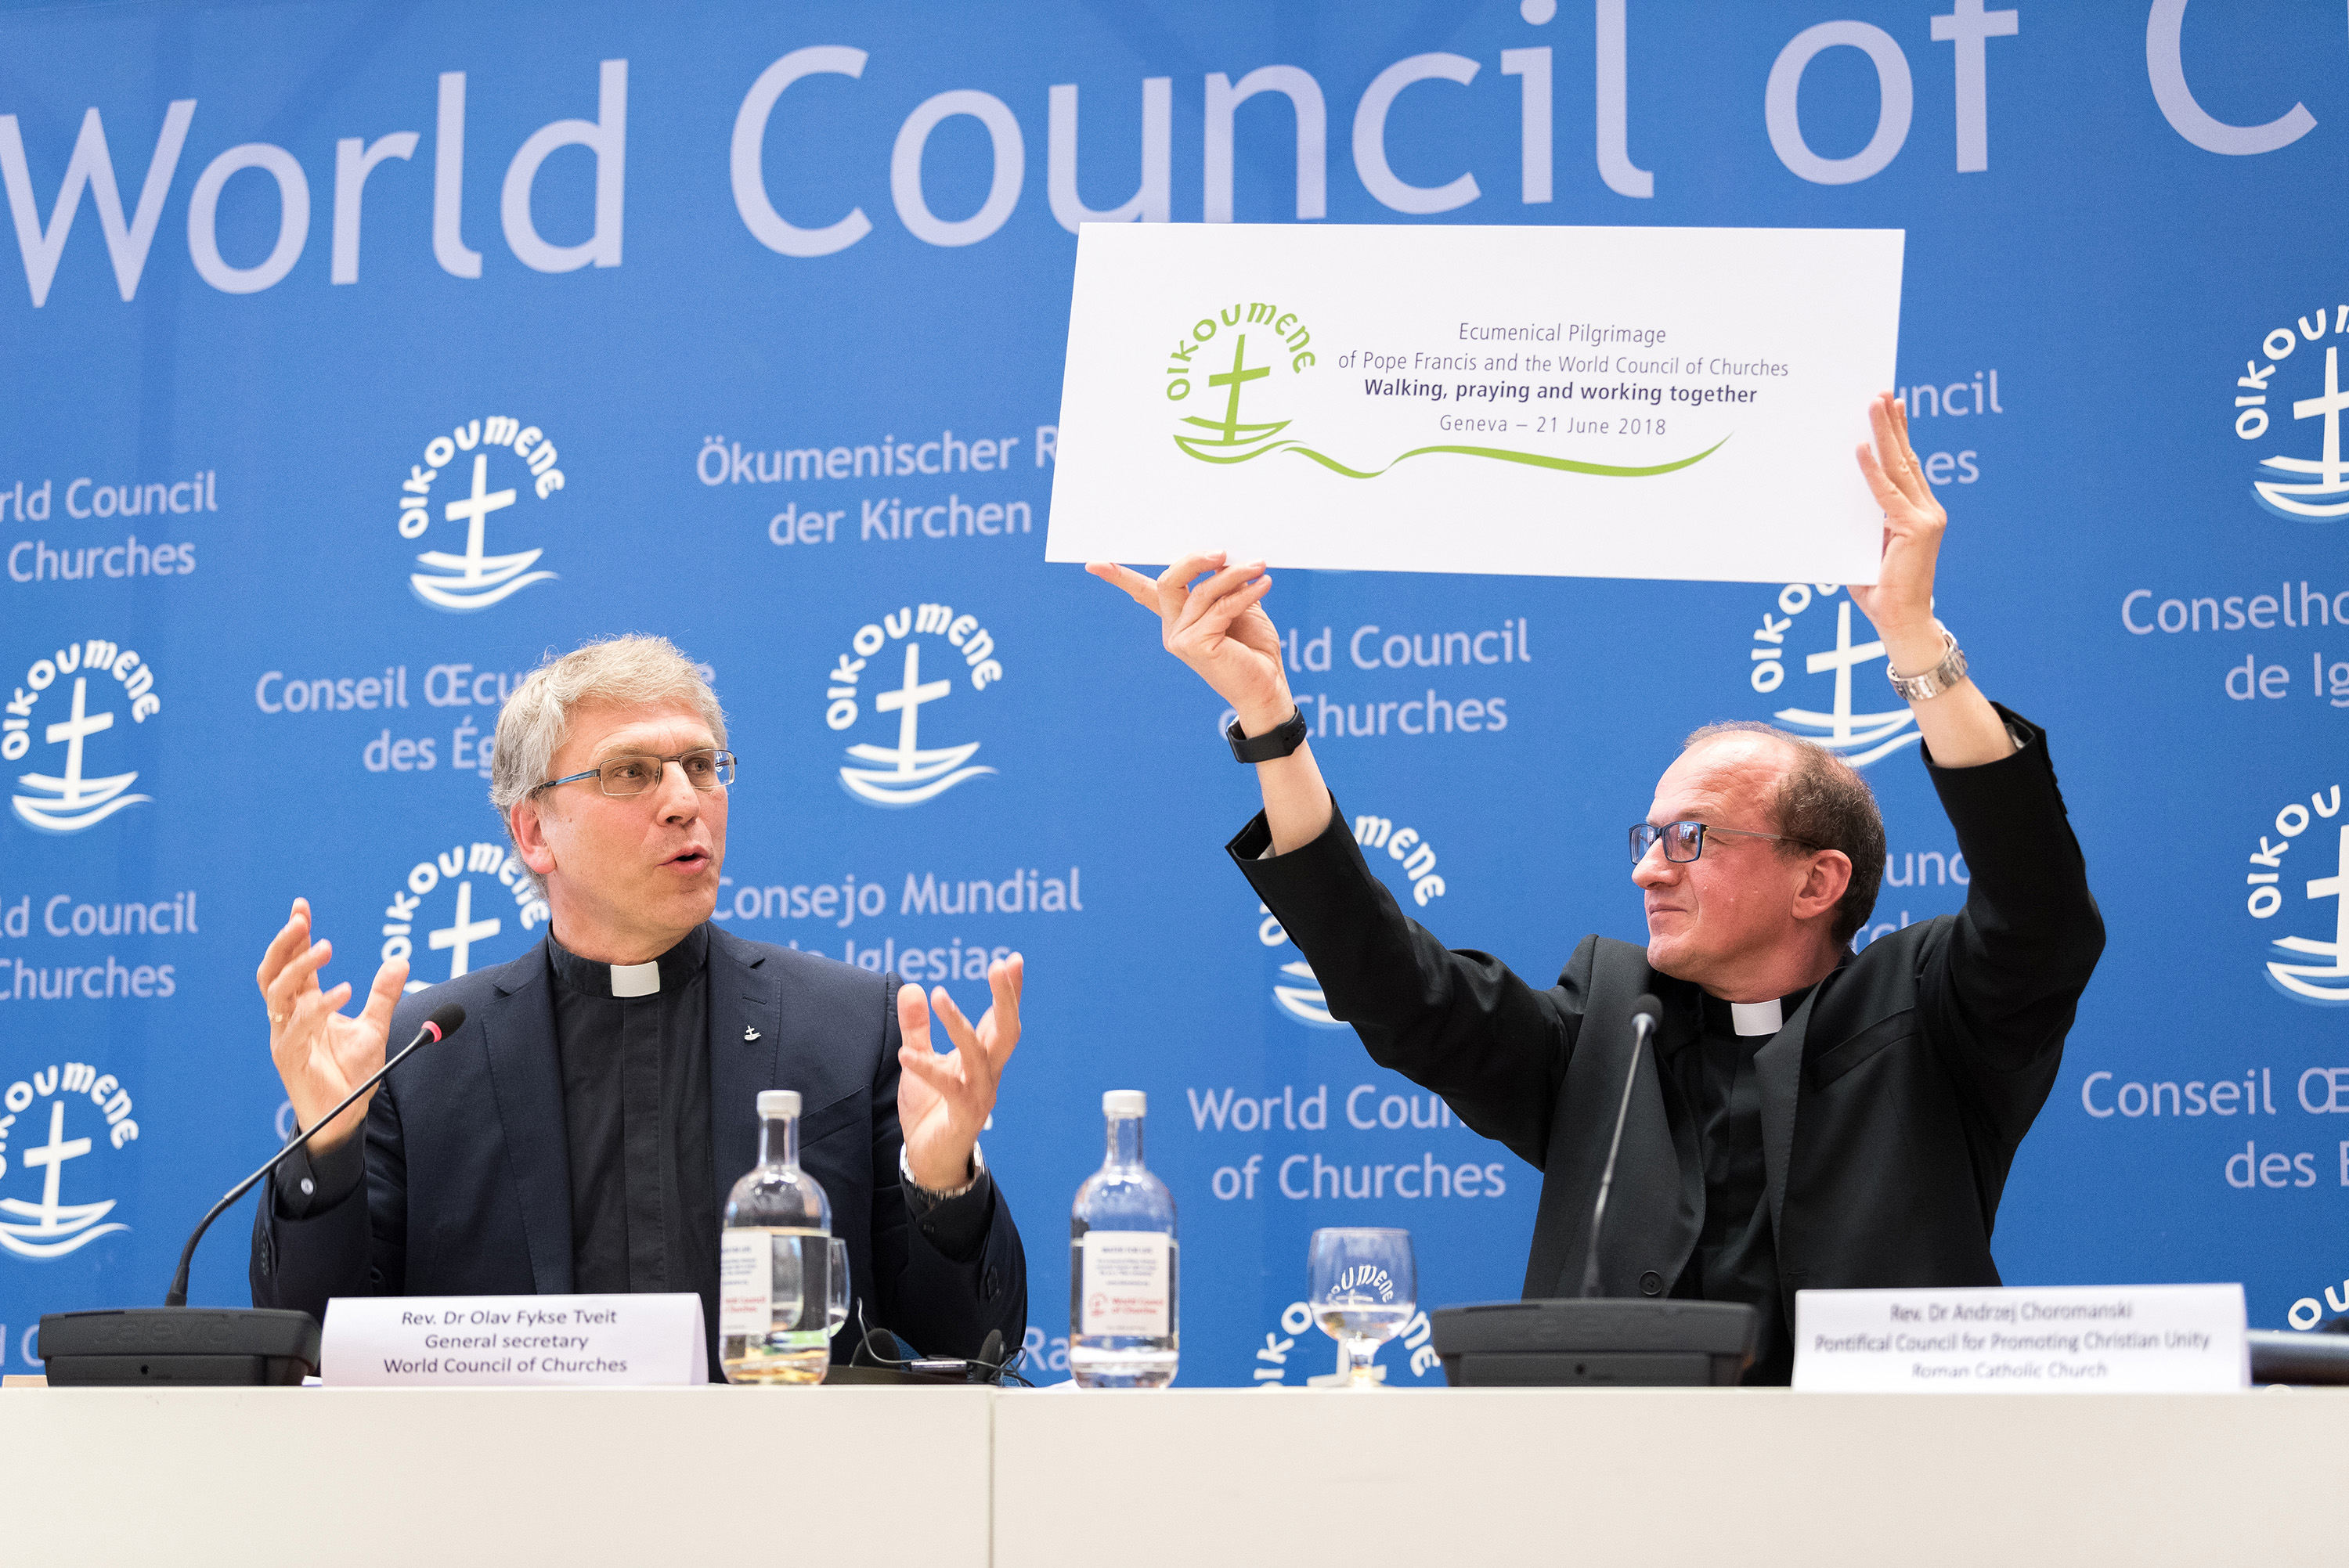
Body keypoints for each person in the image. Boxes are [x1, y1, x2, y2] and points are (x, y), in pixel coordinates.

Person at [1089, 395, 2103, 1385]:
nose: (1647, 866)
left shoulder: (1928, 1012)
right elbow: (1396, 988)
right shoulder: (1615, 1029)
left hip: (1887, 1509)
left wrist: (1915, 640)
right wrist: (1271, 720)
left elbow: (2039, 911)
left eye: (1691, 836)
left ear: (1818, 879)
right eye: (1648, 836)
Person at [250, 635, 1024, 1372]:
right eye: (631, 772)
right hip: (504, 1494)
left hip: (783, 1492)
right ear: (532, 831)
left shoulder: (850, 1026)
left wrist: (941, 1180)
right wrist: (325, 1153)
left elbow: (977, 1338)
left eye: (700, 764)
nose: (686, 801)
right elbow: (314, 1348)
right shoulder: (421, 1055)